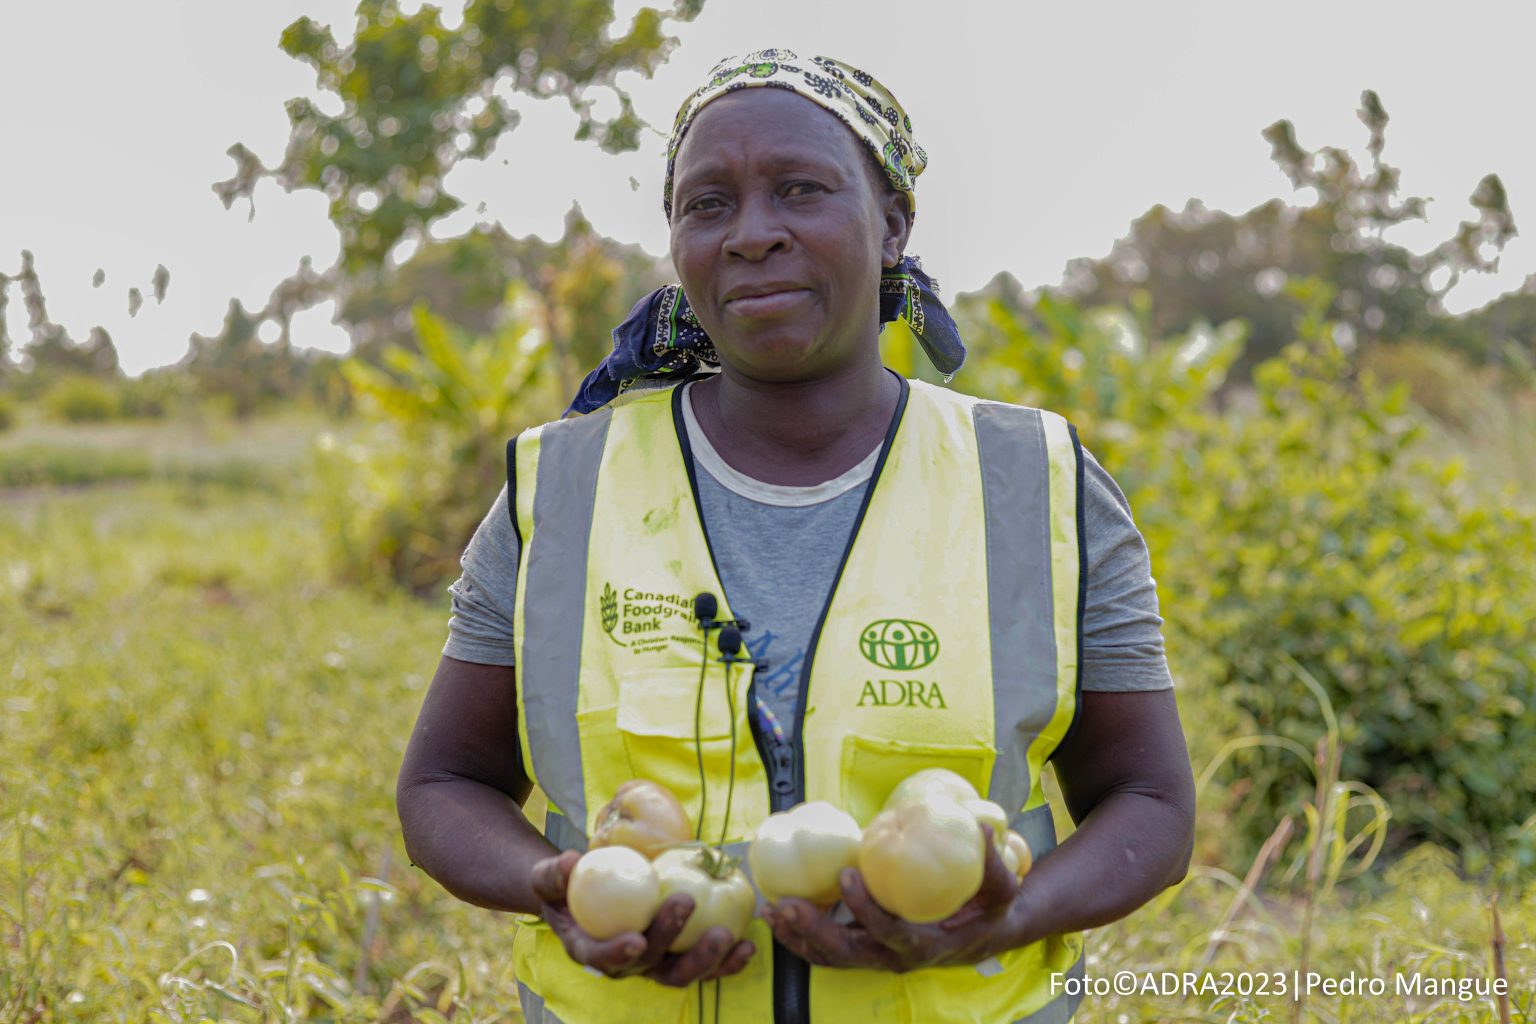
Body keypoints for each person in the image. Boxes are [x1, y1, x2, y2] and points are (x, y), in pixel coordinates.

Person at [397, 47, 1196, 1024]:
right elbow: (444, 784)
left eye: (801, 190)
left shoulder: (1036, 482)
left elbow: (1150, 805)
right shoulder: (559, 488)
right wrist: (554, 883)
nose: (752, 235)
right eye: (708, 204)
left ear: (893, 223)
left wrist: (1005, 914)